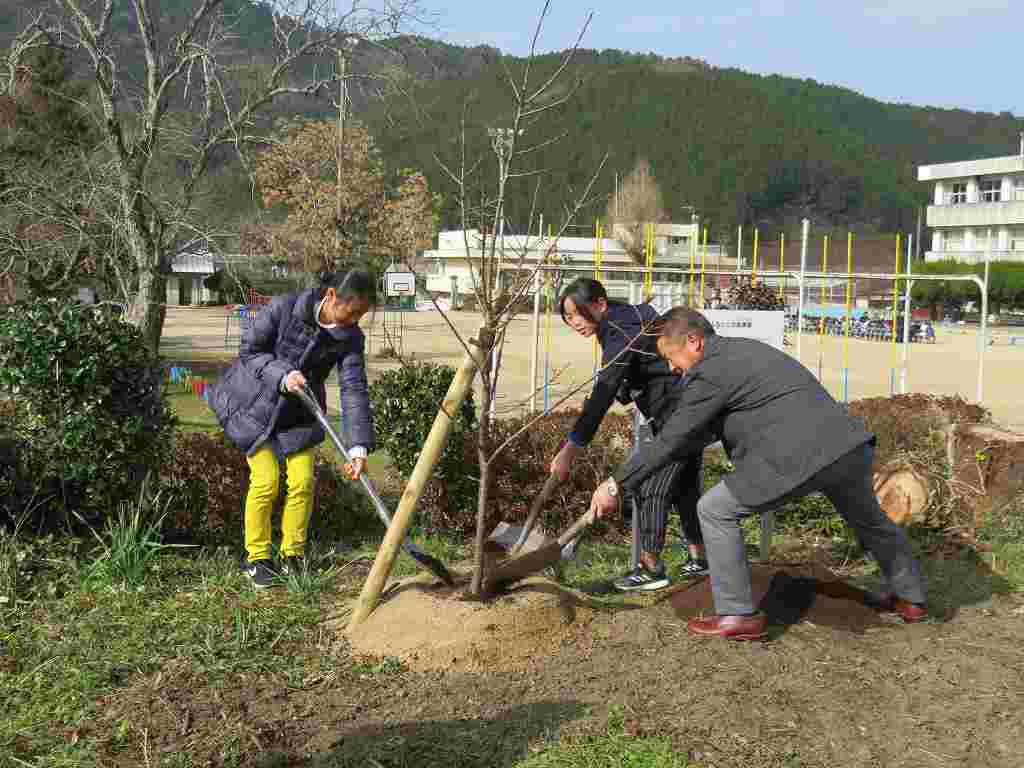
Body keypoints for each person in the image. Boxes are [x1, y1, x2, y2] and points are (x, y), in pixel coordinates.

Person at [588, 307, 927, 639]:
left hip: (799, 454)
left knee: (715, 509)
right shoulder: (745, 350)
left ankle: (736, 613)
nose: (672, 368)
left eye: (670, 356)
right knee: (870, 519)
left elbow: (672, 438)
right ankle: (910, 597)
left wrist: (616, 484)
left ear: (693, 341)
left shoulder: (709, 370)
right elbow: (719, 424)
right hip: (846, 446)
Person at [210, 269, 377, 589]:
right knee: (266, 480)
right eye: (351, 311)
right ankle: (256, 558)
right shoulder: (284, 307)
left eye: (361, 315)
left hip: (299, 414)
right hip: (253, 405)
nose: (354, 320)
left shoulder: (351, 337)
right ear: (331, 296)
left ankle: (293, 555)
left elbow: (353, 387)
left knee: (302, 481)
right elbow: (250, 350)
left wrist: (358, 446)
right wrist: (283, 374)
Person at [551, 278, 708, 592]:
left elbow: (604, 390)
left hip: (680, 417)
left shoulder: (619, 329)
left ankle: (651, 569)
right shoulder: (628, 320)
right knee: (685, 487)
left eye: (577, 314)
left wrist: (571, 448)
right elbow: (629, 377)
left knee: (651, 484)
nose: (574, 323)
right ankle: (700, 560)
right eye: (568, 318)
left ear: (599, 304)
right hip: (686, 413)